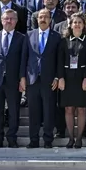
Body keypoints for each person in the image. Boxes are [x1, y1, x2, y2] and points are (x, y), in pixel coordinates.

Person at [0, 7, 28, 148]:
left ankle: (12, 138)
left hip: (13, 80)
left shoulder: (22, 38)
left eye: (12, 19)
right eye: (6, 18)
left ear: (16, 21)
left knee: (13, 111)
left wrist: (22, 79)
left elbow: (23, 60)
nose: (9, 21)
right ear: (1, 20)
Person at [59, 14, 86, 148]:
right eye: (74, 22)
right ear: (70, 25)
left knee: (81, 109)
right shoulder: (64, 41)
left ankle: (79, 138)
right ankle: (71, 138)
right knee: (68, 109)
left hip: (82, 78)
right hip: (67, 78)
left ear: (84, 25)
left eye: (80, 22)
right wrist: (60, 78)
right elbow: (59, 61)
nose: (77, 25)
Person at [25, 8, 61, 148]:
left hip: (49, 80)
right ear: (37, 19)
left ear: (50, 20)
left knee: (49, 111)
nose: (43, 19)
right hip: (32, 79)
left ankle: (47, 140)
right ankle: (33, 140)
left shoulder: (56, 36)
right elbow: (24, 57)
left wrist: (57, 77)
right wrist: (23, 77)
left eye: (46, 17)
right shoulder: (29, 35)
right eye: (40, 17)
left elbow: (59, 59)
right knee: (33, 112)